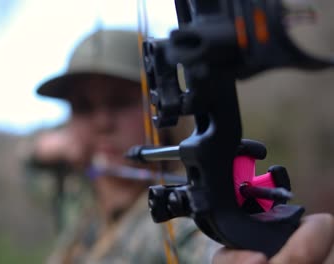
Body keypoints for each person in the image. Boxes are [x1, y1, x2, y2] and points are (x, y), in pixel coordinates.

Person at [31, 28, 334, 263]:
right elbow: (31, 162)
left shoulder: (177, 212)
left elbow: (204, 243)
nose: (102, 122)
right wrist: (48, 148)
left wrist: (249, 246)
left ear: (163, 108)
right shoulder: (78, 189)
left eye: (120, 101)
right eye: (83, 107)